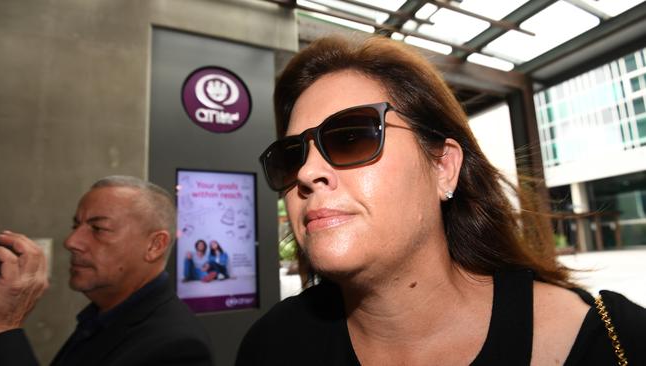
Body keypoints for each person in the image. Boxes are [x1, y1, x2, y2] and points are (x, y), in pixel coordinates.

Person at [236, 35, 646, 365]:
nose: (306, 173)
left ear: (443, 168)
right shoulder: (271, 346)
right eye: (292, 156)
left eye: (351, 137)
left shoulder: (612, 341)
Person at [0, 176, 214, 366]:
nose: (71, 241)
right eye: (76, 226)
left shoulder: (176, 347)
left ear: (154, 246)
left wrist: (5, 325)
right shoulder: (102, 318)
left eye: (98, 229)